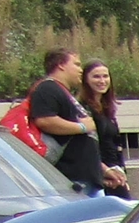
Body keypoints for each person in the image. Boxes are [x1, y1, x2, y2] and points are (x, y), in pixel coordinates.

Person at [25, 48, 101, 196]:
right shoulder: (48, 88)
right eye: (77, 64)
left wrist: (102, 169)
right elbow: (45, 120)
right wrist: (82, 126)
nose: (81, 70)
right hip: (72, 180)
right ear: (61, 65)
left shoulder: (62, 91)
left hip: (86, 178)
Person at [78, 60, 129, 198]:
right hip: (100, 177)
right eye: (96, 76)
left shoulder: (107, 108)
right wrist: (106, 171)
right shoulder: (82, 109)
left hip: (116, 174)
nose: (102, 81)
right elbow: (85, 147)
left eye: (105, 76)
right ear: (85, 80)